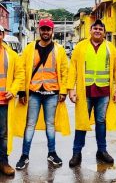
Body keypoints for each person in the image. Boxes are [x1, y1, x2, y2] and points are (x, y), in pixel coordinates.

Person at [15, 18, 70, 170]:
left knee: (50, 125)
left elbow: (65, 71)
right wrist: (21, 91)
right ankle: (24, 155)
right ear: (39, 30)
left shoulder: (59, 50)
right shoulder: (29, 49)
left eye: (48, 29)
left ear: (52, 31)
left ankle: (52, 153)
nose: (45, 32)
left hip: (52, 93)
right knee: (30, 125)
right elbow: (21, 70)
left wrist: (63, 90)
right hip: (33, 92)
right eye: (43, 29)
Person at [68, 19, 116, 167]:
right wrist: (71, 89)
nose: (98, 31)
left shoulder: (110, 48)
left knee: (101, 122)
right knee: (81, 122)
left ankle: (102, 151)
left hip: (104, 91)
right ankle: (76, 153)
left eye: (100, 29)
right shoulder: (80, 47)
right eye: (95, 28)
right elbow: (73, 68)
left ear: (104, 32)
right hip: (84, 91)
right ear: (90, 31)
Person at [0, 25, 23, 176]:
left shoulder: (11, 54)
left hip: (3, 101)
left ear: (2, 35)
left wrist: (13, 91)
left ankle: (3, 162)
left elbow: (20, 75)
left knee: (2, 134)